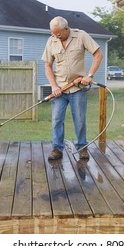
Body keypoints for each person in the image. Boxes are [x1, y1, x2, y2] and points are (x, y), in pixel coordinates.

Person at [42, 16, 103, 160]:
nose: (56, 36)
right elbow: (47, 65)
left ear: (66, 29)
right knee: (57, 119)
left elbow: (98, 55)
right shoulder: (51, 41)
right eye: (53, 33)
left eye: (58, 33)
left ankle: (82, 147)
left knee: (80, 119)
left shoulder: (81, 36)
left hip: (78, 88)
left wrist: (90, 75)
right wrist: (53, 86)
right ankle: (57, 149)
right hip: (59, 90)